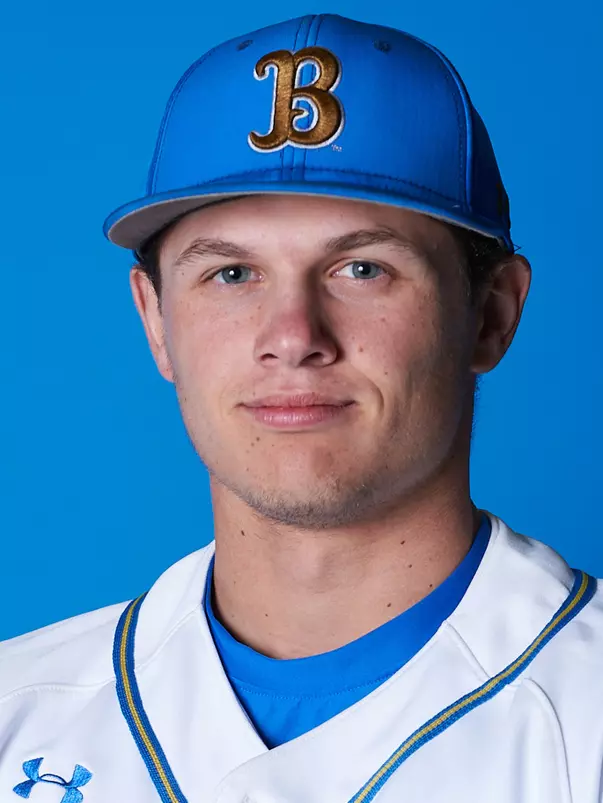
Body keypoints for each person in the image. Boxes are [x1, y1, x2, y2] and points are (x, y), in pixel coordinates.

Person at [1, 13, 601, 803]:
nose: (292, 338)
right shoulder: (18, 709)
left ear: (488, 314)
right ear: (154, 319)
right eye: (231, 275)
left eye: (361, 267)